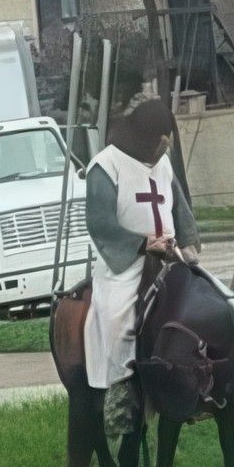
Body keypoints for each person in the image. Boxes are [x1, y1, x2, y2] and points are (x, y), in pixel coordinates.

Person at [84, 100, 201, 434]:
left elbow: (179, 208)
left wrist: (188, 244)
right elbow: (100, 223)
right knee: (119, 316)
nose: (163, 149)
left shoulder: (162, 165)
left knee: (217, 301)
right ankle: (120, 394)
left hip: (172, 257)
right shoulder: (105, 167)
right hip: (125, 265)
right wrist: (144, 244)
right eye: (160, 142)